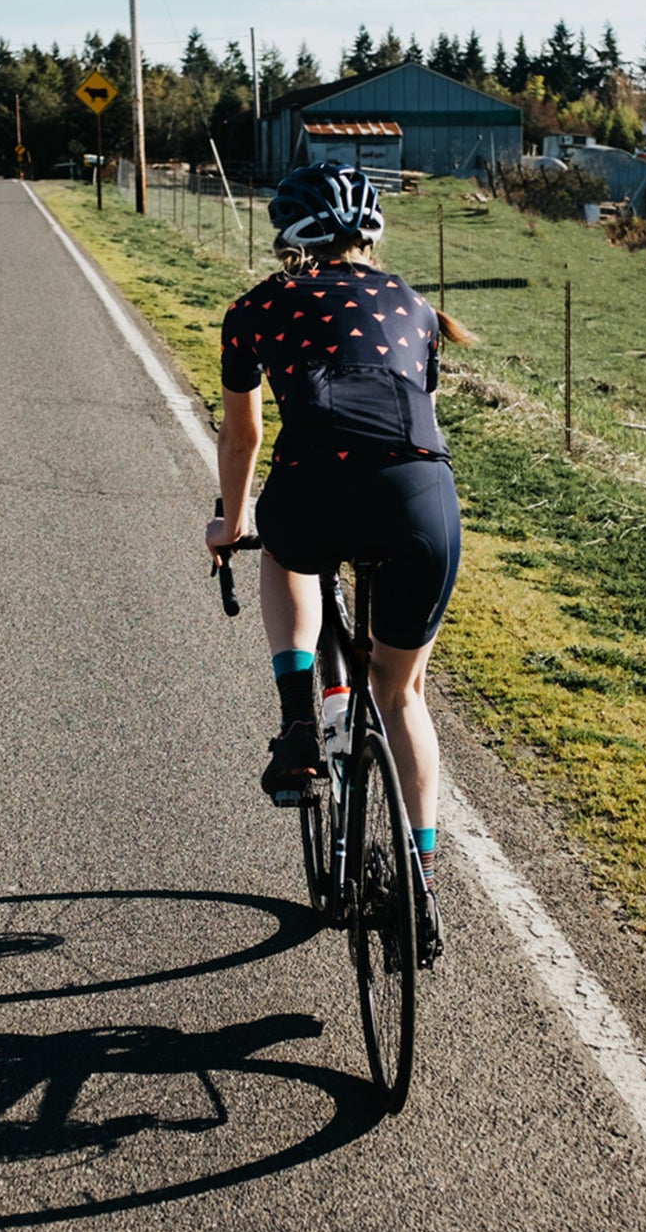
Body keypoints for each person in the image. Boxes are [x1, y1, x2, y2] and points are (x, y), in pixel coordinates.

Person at [201, 160, 476, 947]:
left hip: (314, 488)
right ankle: (421, 883)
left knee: (284, 553)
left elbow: (245, 434)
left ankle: (298, 722)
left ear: (292, 238)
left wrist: (231, 518)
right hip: (422, 502)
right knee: (402, 695)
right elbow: (407, 409)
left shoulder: (256, 307)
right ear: (371, 233)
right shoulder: (418, 306)